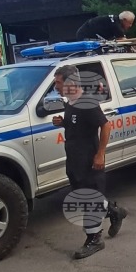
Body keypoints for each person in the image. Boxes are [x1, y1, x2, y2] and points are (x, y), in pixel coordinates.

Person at [52, 72, 127, 259]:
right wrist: (63, 123)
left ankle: (94, 239)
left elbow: (106, 126)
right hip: (74, 159)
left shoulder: (88, 103)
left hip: (89, 160)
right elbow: (78, 125)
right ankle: (114, 212)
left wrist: (100, 154)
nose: (55, 87)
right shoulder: (71, 102)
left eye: (58, 82)